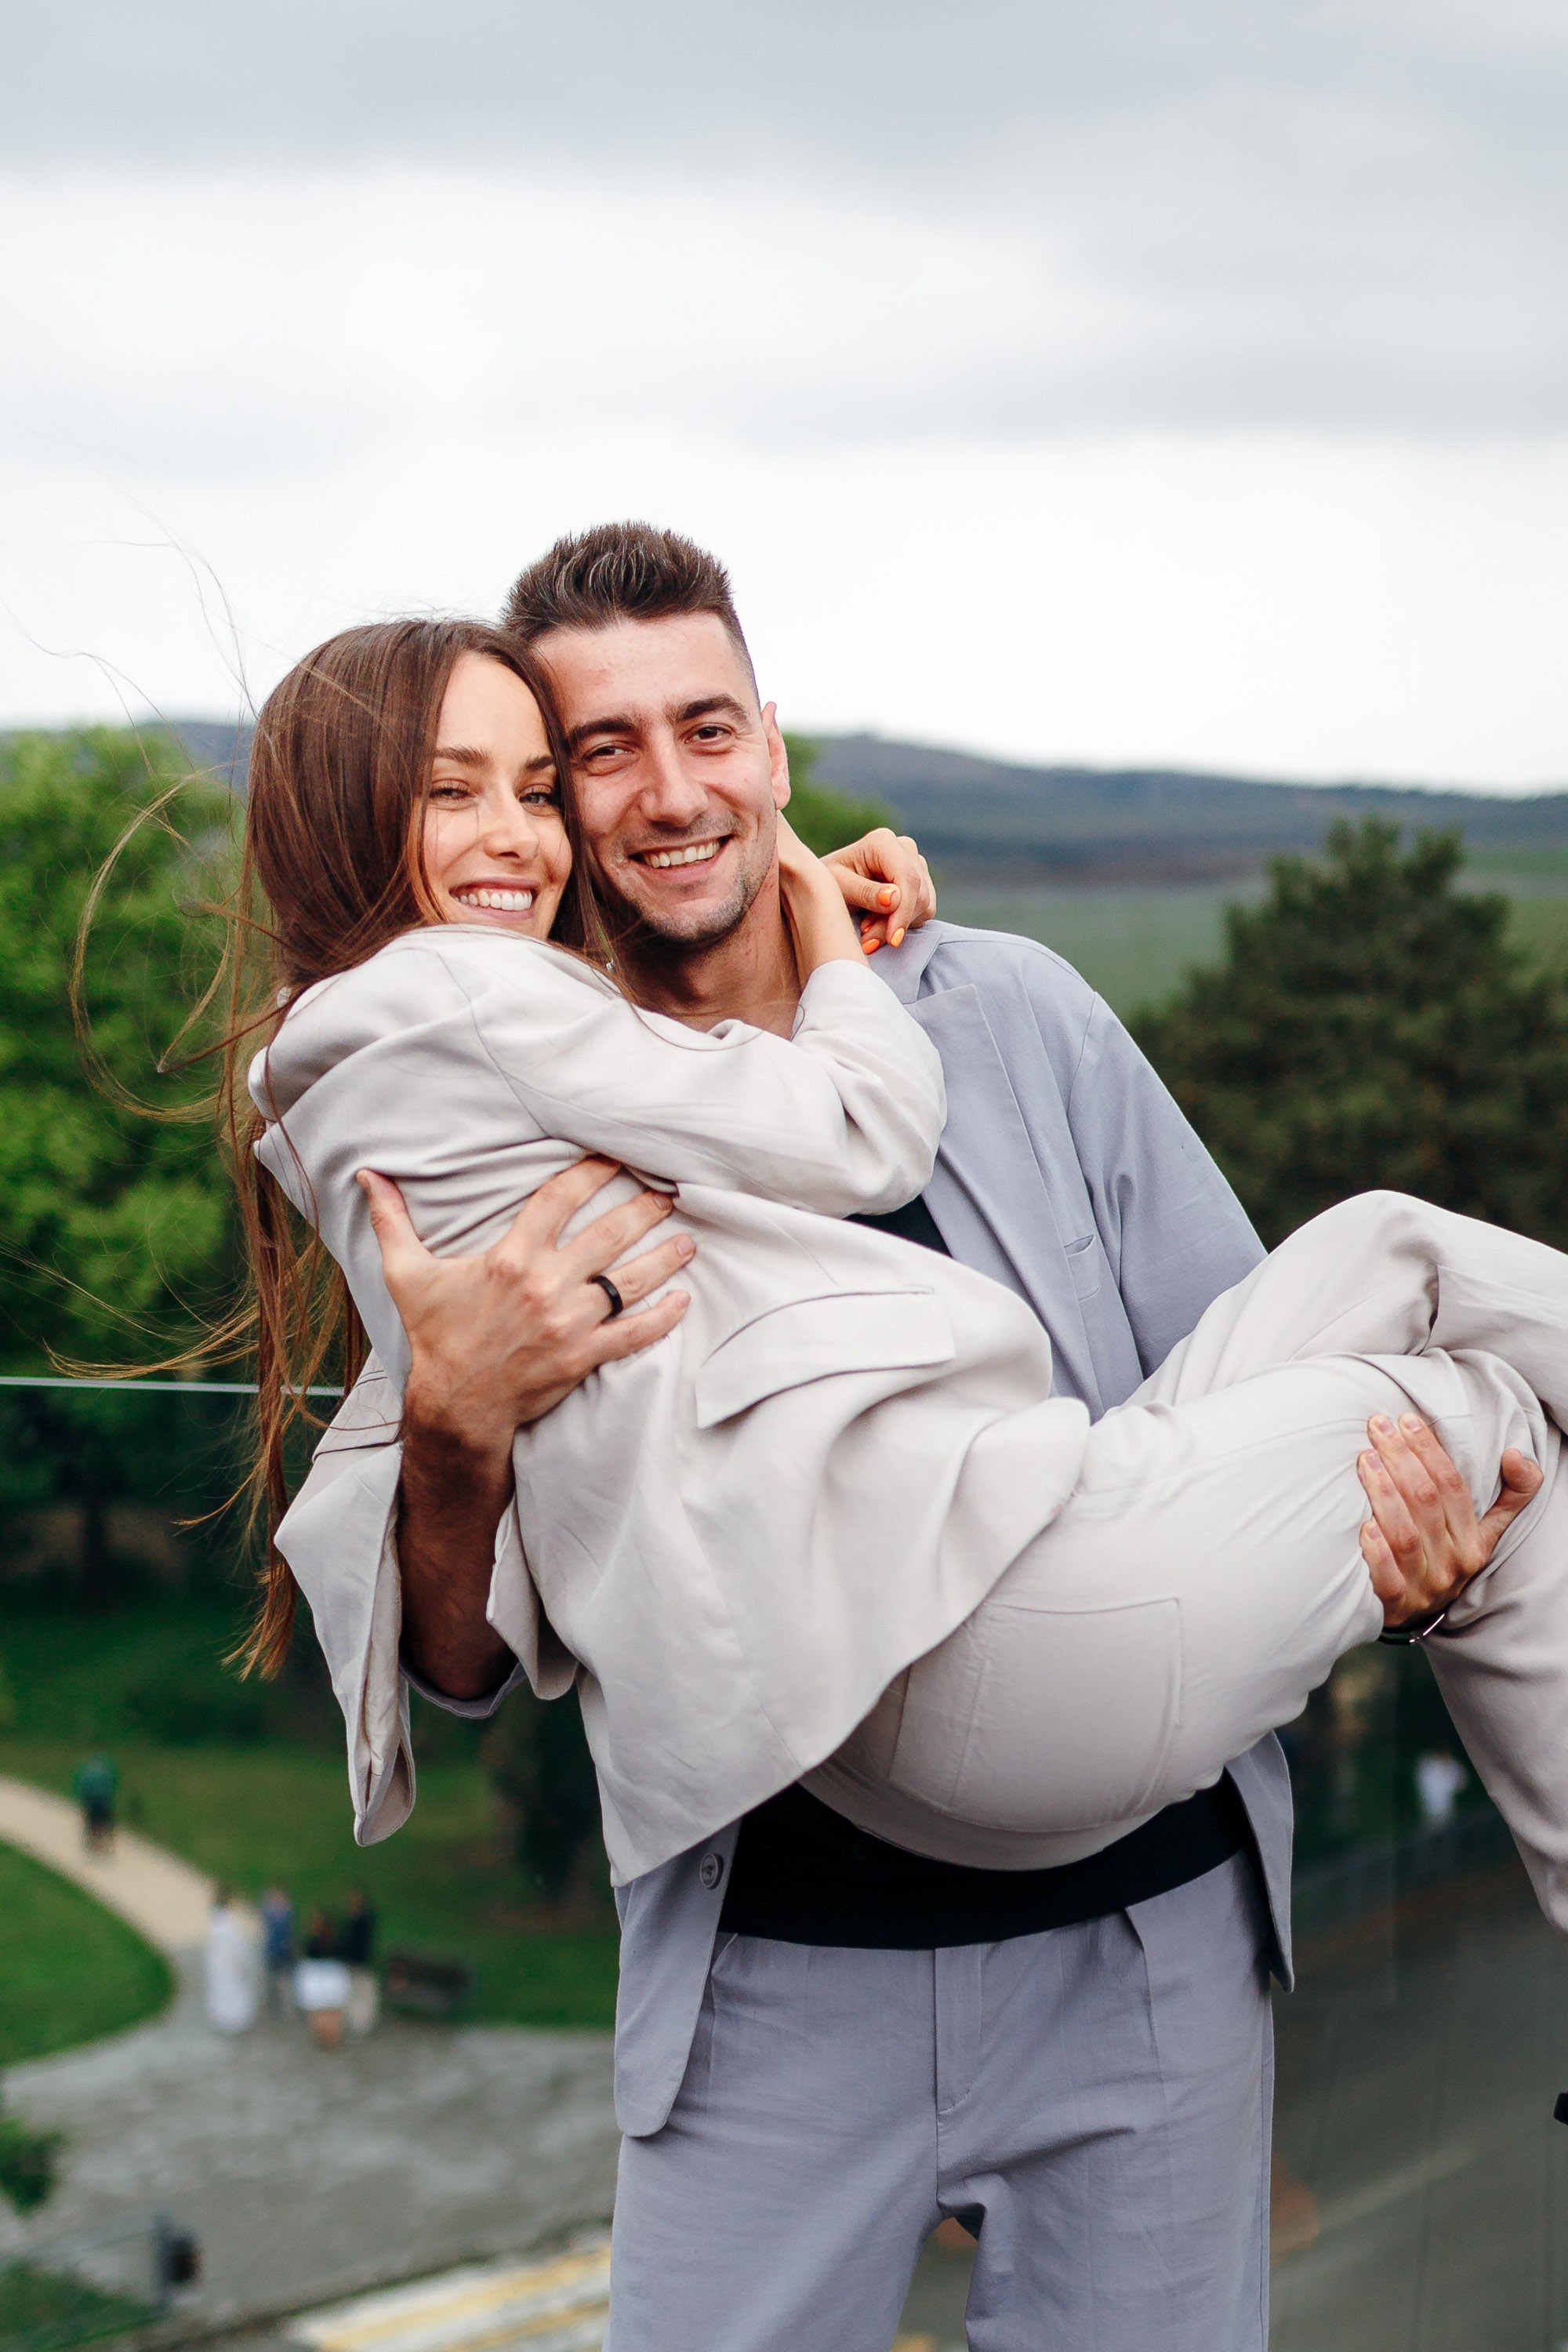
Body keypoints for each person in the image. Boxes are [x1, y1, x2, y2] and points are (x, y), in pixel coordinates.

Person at [244, 532, 1539, 2352]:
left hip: (1143, 1943)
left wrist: (1409, 1574)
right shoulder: (501, 1091)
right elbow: (450, 1660)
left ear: (772, 747)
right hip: (771, 1978)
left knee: (1417, 1292)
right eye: (594, 752)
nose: (661, 788)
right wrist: (455, 1420)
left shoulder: (1010, 1015)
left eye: (704, 728)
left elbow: (1228, 1411)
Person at [204, 1886, 259, 2034]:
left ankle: (229, 2018)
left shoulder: (217, 1920)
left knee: (228, 1990)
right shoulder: (227, 1922)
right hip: (228, 1962)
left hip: (221, 1962)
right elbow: (234, 1944)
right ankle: (232, 2019)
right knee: (231, 1990)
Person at [259, 1882, 296, 2012]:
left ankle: (284, 2006)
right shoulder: (272, 1912)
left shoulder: (286, 1912)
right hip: (272, 1951)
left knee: (283, 1981)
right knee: (271, 1979)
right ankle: (273, 2003)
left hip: (282, 1951)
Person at [71, 1751, 118, 1853]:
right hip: (103, 1801)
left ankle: (91, 1840)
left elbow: (82, 1787)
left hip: (91, 1801)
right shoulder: (106, 1772)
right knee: (106, 1820)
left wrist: (83, 1801)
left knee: (90, 1820)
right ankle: (108, 1840)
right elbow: (111, 1787)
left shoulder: (87, 1773)